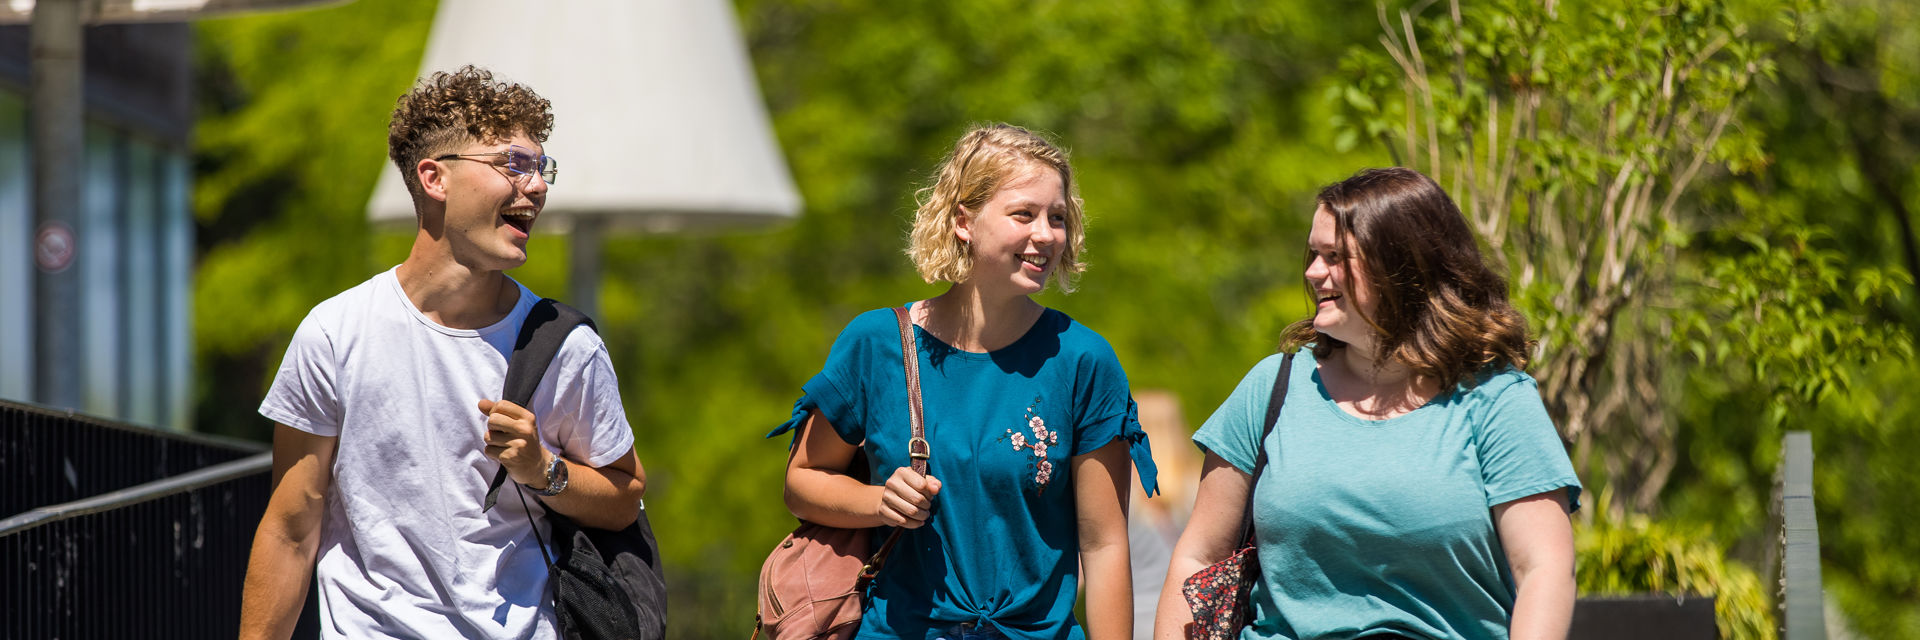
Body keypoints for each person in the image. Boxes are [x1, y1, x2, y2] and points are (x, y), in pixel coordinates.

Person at [239, 66, 646, 640]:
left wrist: (543, 471)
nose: (537, 186)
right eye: (513, 164)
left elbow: (625, 498)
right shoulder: (335, 332)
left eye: (541, 167)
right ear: (435, 178)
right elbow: (290, 529)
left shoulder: (563, 345)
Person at [1153, 168, 1582, 640]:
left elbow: (1543, 569)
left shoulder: (1494, 399)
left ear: (1403, 267)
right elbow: (1198, 558)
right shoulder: (1273, 387)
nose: (1314, 273)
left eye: (1336, 257)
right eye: (1314, 255)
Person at [770, 123, 1158, 640]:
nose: (1046, 235)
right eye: (1024, 214)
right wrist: (877, 502)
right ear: (963, 221)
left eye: (1058, 218)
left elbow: (1105, 546)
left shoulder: (1084, 361)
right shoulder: (877, 343)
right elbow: (803, 481)